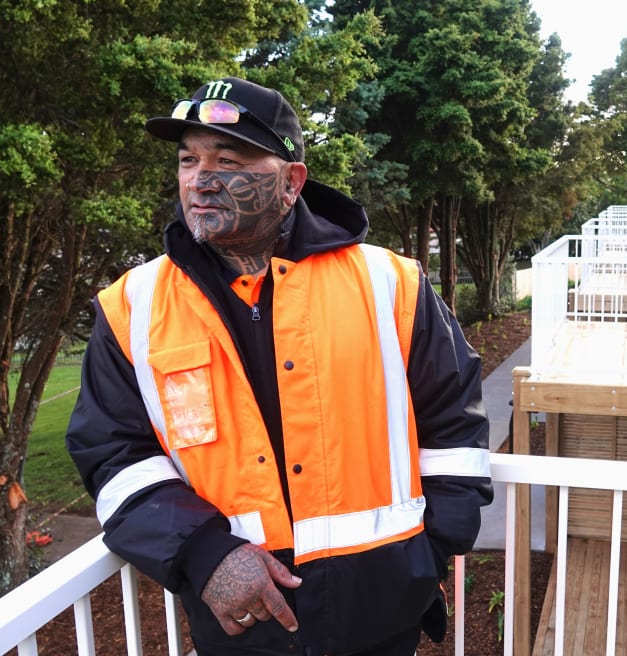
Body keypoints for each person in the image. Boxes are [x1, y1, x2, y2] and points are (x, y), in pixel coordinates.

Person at [65, 76, 493, 656]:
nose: (200, 179)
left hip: (383, 611)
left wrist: (428, 554)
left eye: (228, 158)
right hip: (241, 625)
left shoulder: (391, 283)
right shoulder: (132, 307)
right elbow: (114, 454)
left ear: (291, 181)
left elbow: (454, 424)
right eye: (188, 160)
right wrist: (202, 553)